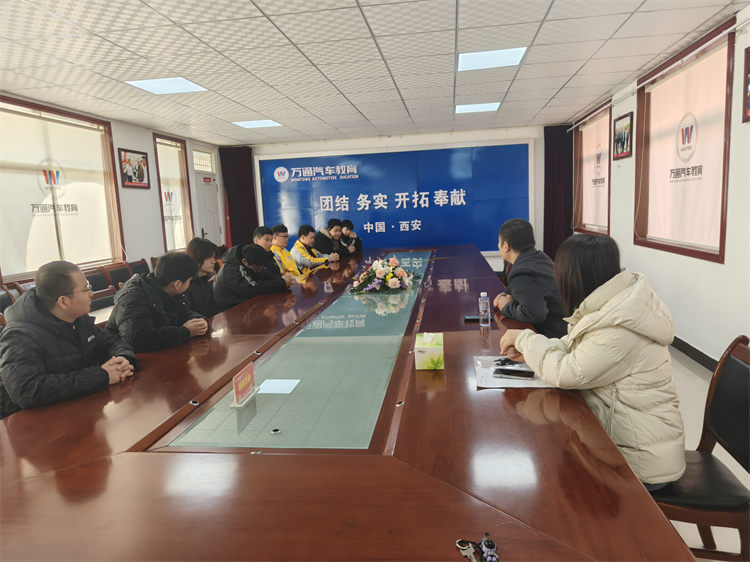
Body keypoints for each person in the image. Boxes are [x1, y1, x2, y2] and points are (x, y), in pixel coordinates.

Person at [499, 234, 686, 490]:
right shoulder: (616, 302)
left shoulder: (619, 328)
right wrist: (532, 350)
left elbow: (566, 372)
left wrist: (525, 339)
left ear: (574, 277)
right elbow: (575, 345)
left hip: (640, 462)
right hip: (627, 441)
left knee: (545, 473)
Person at [0, 261, 137, 418]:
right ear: (63, 302)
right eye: (86, 289)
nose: (91, 293)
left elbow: (110, 342)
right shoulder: (19, 336)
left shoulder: (78, 319)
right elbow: (27, 391)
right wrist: (101, 376)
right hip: (30, 422)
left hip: (78, 409)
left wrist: (122, 360)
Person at [106, 252, 208, 352]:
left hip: (158, 351)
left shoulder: (169, 290)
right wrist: (185, 332)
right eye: (189, 281)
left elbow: (181, 313)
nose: (189, 285)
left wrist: (199, 321)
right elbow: (137, 339)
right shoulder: (133, 298)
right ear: (177, 284)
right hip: (122, 355)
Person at [493, 218, 566, 338]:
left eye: (499, 242)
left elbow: (534, 314)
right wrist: (506, 294)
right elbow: (526, 287)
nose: (498, 245)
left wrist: (506, 306)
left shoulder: (521, 272)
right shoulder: (539, 256)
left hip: (554, 337)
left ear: (506, 246)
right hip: (565, 327)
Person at [213, 244, 293, 312]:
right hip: (229, 310)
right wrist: (282, 283)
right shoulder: (233, 270)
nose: (259, 270)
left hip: (247, 304)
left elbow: (266, 275)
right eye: (257, 268)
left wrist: (281, 279)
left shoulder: (253, 258)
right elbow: (253, 288)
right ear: (245, 261)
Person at [185, 237, 219, 317]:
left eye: (214, 257)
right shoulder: (186, 285)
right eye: (209, 257)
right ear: (197, 256)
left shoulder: (205, 281)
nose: (213, 261)